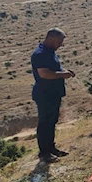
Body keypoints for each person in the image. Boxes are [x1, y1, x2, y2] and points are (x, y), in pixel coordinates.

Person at [31, 28, 75, 163]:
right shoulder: (40, 54)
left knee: (52, 121)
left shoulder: (50, 52)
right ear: (51, 38)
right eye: (60, 41)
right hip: (45, 94)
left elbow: (54, 69)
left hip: (53, 93)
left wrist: (64, 71)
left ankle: (51, 148)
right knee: (45, 123)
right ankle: (44, 153)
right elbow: (44, 73)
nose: (61, 45)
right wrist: (63, 74)